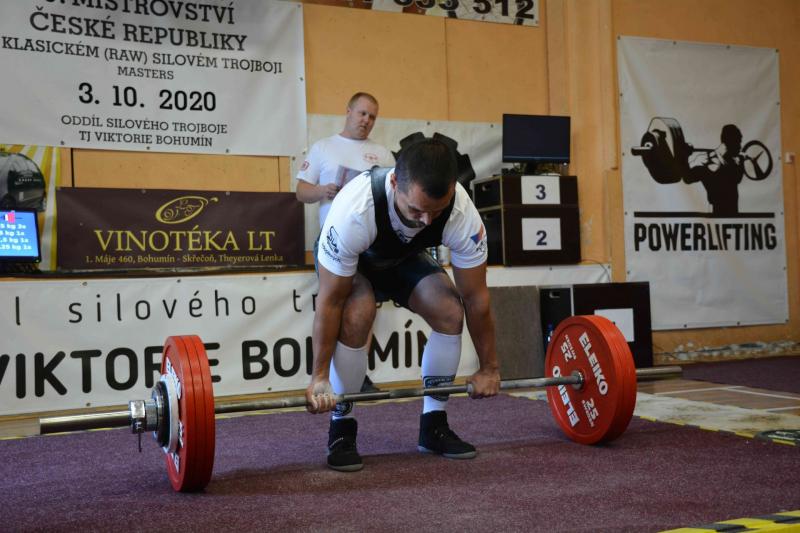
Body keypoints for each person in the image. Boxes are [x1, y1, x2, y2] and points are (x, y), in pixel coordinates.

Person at [304, 137, 501, 472]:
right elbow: (331, 300)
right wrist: (319, 377)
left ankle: (433, 426)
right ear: (395, 182)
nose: (426, 221)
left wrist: (489, 368)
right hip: (355, 262)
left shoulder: (461, 213)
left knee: (450, 311)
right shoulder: (355, 210)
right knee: (358, 312)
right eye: (415, 210)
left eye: (435, 211)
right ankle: (342, 427)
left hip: (401, 259)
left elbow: (476, 299)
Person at [296, 92, 394, 393]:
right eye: (362, 113)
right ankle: (323, 377)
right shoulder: (323, 147)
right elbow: (301, 191)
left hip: (371, 242)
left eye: (372, 117)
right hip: (334, 241)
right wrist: (322, 191)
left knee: (367, 307)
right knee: (335, 303)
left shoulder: (383, 155)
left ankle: (357, 375)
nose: (366, 120)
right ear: (348, 111)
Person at [685, 124, 745, 215]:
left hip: (732, 214)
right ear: (729, 142)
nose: (740, 147)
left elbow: (737, 178)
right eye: (738, 142)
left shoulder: (731, 161)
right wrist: (684, 157)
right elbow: (688, 178)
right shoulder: (709, 160)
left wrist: (741, 162)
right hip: (718, 213)